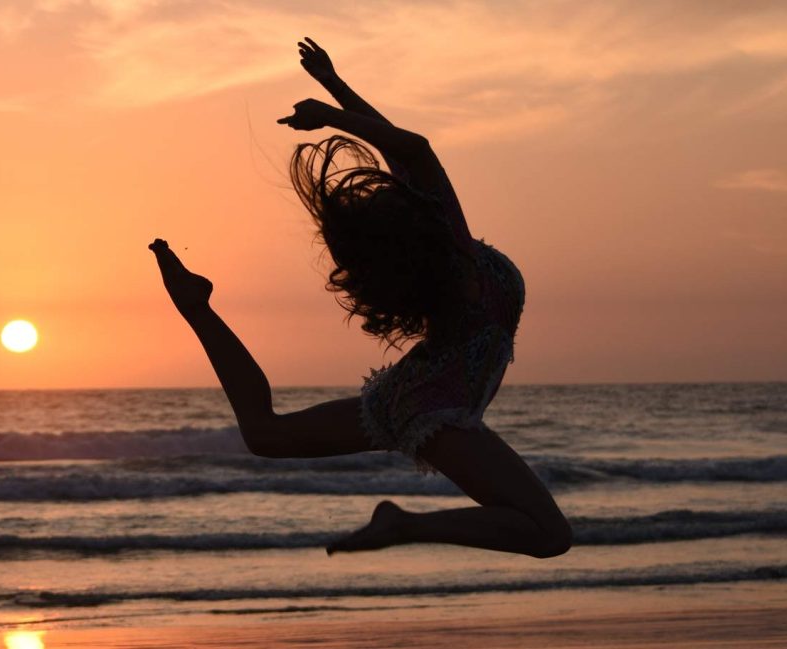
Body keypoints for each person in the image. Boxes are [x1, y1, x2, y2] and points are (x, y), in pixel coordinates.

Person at [148, 38, 571, 558]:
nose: (394, 186)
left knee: (266, 434)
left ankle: (196, 308)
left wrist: (334, 86)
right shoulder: (455, 252)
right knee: (550, 535)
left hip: (416, 391)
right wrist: (329, 107)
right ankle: (404, 526)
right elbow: (412, 148)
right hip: (436, 409)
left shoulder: (441, 246)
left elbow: (401, 151)